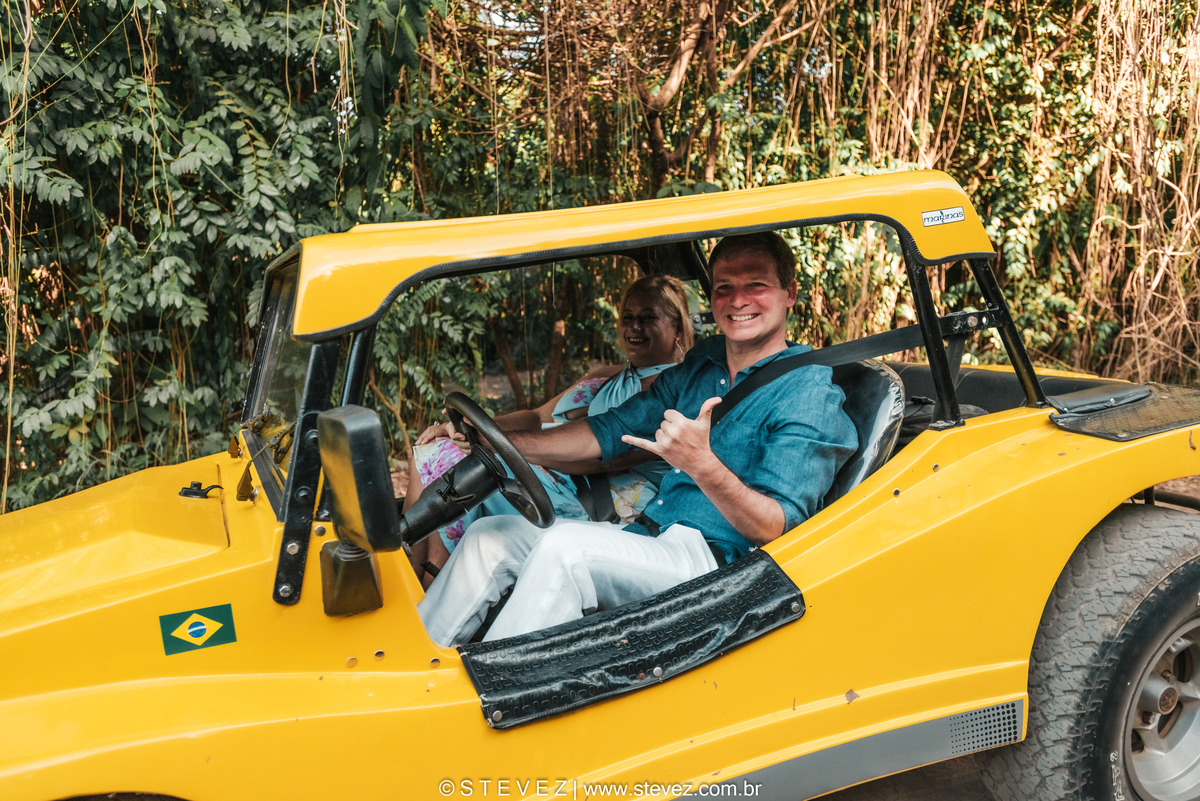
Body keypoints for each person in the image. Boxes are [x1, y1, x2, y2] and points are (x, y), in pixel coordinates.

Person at [418, 232, 858, 646]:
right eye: (725, 287)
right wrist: (498, 441)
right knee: (491, 537)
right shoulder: (701, 366)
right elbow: (609, 431)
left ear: (789, 293)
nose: (738, 300)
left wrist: (702, 464)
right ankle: (413, 673)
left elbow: (777, 528)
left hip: (718, 568)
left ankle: (488, 692)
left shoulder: (808, 392)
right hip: (650, 533)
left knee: (565, 550)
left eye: (756, 285)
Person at [406, 275, 695, 585]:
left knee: (455, 465)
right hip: (561, 473)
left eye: (648, 318)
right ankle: (410, 576)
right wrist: (470, 426)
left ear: (678, 329)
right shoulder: (607, 377)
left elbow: (601, 460)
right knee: (434, 450)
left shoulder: (675, 393)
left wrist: (506, 448)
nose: (634, 327)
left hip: (604, 499)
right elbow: (535, 417)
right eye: (628, 318)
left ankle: (428, 585)